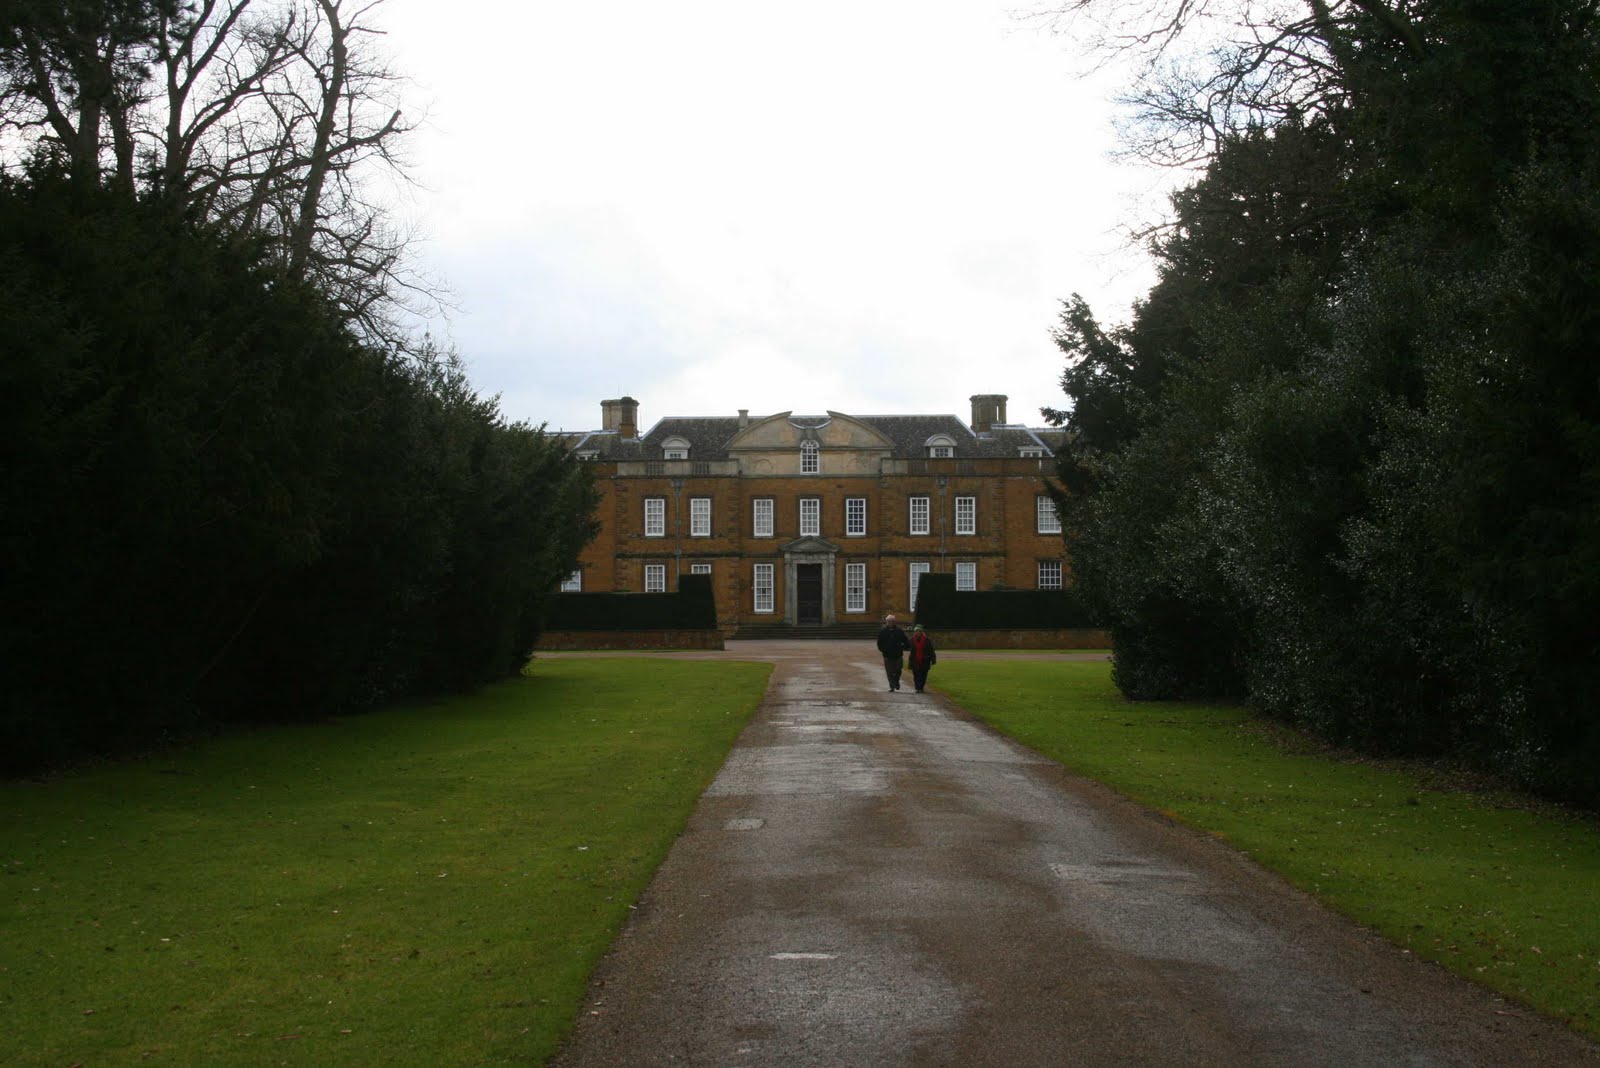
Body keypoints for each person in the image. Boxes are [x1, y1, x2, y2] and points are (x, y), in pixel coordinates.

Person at [875, 613, 911, 692]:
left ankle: (896, 681)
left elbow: (905, 640)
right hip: (887, 655)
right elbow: (879, 643)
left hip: (898, 655)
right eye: (889, 621)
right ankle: (892, 686)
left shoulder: (899, 631)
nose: (891, 622)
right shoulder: (883, 632)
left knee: (898, 670)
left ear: (894, 622)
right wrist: (883, 650)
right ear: (886, 622)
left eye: (892, 621)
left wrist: (905, 647)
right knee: (889, 672)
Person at [908, 624, 937, 693]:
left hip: (925, 660)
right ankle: (917, 687)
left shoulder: (927, 640)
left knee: (923, 675)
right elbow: (908, 649)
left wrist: (933, 659)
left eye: (919, 631)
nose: (917, 632)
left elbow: (931, 650)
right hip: (915, 660)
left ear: (921, 632)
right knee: (916, 675)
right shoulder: (911, 640)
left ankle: (921, 687)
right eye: (916, 631)